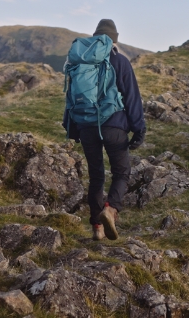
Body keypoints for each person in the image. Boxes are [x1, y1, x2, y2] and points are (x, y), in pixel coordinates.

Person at [63, 19, 146, 241]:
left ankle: (97, 228)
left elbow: (70, 97)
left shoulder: (81, 62)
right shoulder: (120, 61)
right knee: (121, 172)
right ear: (114, 39)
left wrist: (72, 129)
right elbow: (132, 97)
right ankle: (110, 209)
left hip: (86, 127)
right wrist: (138, 129)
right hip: (114, 125)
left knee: (96, 176)